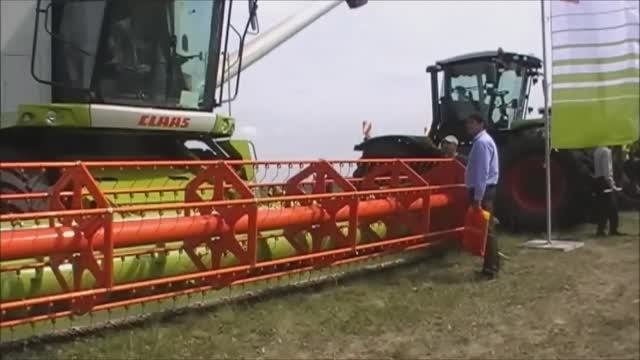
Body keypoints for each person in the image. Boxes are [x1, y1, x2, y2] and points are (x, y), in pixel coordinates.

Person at [464, 113, 500, 279]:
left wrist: (478, 198)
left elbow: (481, 173)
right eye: (468, 123)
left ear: (480, 124)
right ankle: (492, 265)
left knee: (487, 230)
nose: (468, 126)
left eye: (471, 123)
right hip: (487, 190)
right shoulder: (484, 141)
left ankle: (490, 269)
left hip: (483, 191)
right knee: (488, 228)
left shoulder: (481, 144)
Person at [593, 146, 626, 236]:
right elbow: (607, 169)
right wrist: (612, 184)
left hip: (598, 180)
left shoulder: (597, 151)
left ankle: (603, 229)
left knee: (603, 206)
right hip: (605, 181)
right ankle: (611, 229)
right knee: (612, 206)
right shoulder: (606, 151)